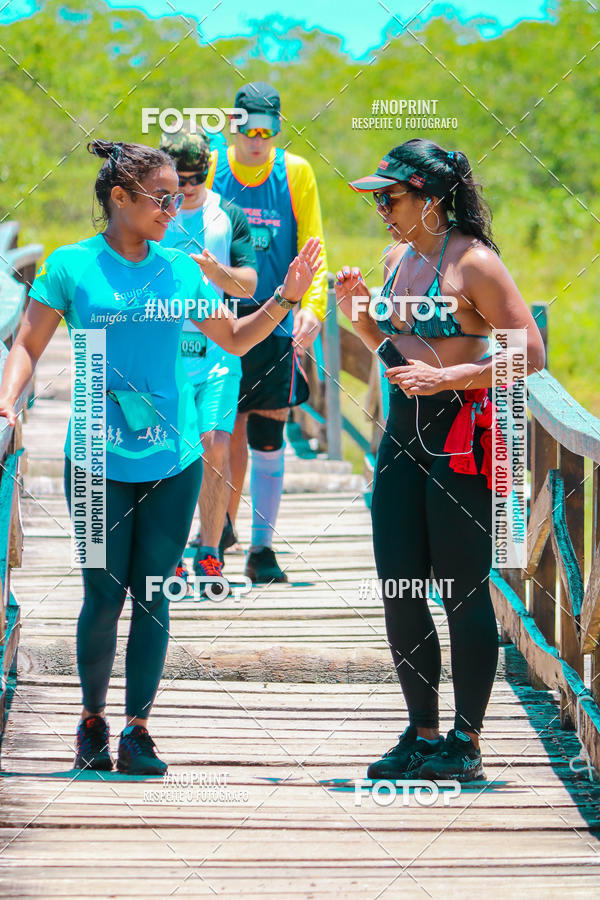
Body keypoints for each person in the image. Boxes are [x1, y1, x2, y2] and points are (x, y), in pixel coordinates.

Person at [0, 138, 321, 775]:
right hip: (93, 456)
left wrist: (285, 298)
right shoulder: (70, 266)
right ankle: (92, 720)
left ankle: (139, 730)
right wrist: (7, 403)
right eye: (161, 199)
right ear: (119, 198)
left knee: (154, 592)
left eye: (179, 198)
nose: (173, 210)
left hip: (172, 460)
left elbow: (231, 336)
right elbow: (29, 346)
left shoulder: (180, 270)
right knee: (101, 594)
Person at [336, 138, 544, 782]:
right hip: (402, 437)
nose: (383, 211)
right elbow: (397, 359)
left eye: (391, 197)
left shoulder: (475, 262)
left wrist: (452, 378)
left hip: (463, 441)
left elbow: (530, 354)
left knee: (462, 591)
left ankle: (467, 740)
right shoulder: (398, 258)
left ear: (432, 197)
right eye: (377, 200)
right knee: (399, 589)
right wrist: (361, 320)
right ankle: (420, 733)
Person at [207, 81, 328, 584]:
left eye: (267, 129)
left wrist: (314, 309)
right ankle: (217, 533)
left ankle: (263, 547)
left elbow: (316, 249)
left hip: (276, 317)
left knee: (267, 432)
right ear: (233, 126)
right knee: (222, 431)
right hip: (220, 317)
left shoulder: (295, 172)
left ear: (278, 128)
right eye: (248, 128)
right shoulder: (211, 166)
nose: (257, 139)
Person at [159, 128, 258, 592]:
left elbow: (250, 285)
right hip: (165, 348)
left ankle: (211, 551)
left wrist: (216, 271)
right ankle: (173, 548)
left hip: (218, 347)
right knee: (174, 448)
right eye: (180, 177)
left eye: (197, 176)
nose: (188, 185)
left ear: (209, 170)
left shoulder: (228, 215)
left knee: (216, 443)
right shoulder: (154, 216)